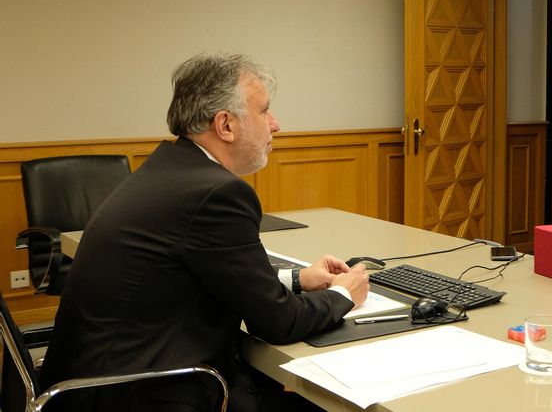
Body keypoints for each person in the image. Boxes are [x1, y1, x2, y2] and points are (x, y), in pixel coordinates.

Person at [38, 53, 371, 412]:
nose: (276, 124)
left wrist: (298, 279)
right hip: (140, 394)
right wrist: (343, 295)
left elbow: (212, 273)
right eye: (264, 111)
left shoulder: (171, 168)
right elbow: (279, 323)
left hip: (90, 383)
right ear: (225, 125)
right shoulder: (216, 193)